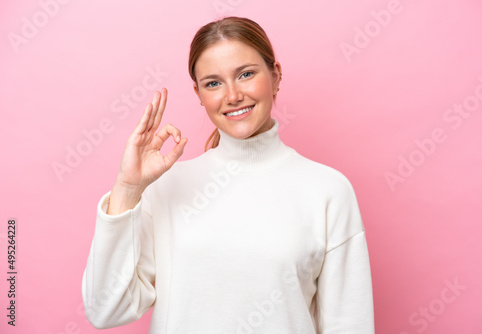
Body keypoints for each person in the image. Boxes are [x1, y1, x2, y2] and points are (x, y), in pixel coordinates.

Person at [82, 16, 374, 333]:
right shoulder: (165, 187)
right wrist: (127, 189)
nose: (232, 95)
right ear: (199, 94)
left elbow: (349, 323)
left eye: (246, 74)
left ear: (276, 76)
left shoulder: (328, 190)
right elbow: (104, 310)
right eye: (213, 83)